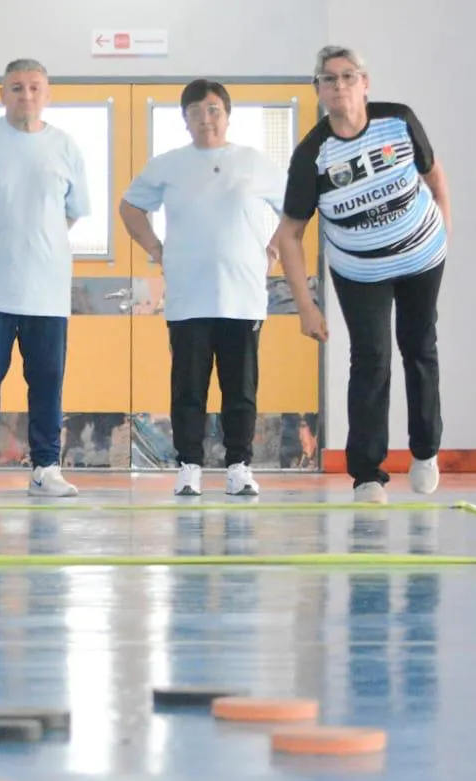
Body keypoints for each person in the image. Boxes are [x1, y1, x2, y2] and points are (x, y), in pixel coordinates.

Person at [275, 45, 451, 504]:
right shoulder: (312, 154)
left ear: (365, 84)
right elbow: (289, 235)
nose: (339, 86)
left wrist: (444, 234)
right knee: (371, 359)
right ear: (318, 91)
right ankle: (368, 474)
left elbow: (435, 178)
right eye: (329, 79)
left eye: (348, 77)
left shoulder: (399, 120)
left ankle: (426, 450)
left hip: (420, 258)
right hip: (360, 271)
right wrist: (306, 307)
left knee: (419, 346)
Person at [119, 79, 286, 498]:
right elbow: (130, 207)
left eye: (213, 109)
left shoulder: (254, 163)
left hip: (243, 296)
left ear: (227, 115)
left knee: (240, 388)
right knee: (188, 388)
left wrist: (274, 249)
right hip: (189, 297)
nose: (205, 118)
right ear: (185, 120)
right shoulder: (168, 165)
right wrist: (156, 249)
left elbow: (295, 210)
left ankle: (238, 466)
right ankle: (189, 466)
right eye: (196, 111)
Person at [0, 58, 89, 500]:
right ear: (1, 93)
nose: (25, 95)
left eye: (33, 87)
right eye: (16, 87)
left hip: (46, 292)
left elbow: (71, 211)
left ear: (47, 94)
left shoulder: (65, 147)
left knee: (47, 380)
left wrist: (37, 243)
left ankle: (46, 467)